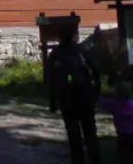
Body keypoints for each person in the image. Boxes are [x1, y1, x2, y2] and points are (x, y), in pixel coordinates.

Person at [46, 25, 101, 164]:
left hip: (67, 99)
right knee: (90, 131)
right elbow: (96, 70)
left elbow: (50, 79)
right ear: (73, 36)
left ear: (60, 37)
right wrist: (96, 92)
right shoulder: (82, 50)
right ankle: (95, 159)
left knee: (73, 133)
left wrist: (53, 101)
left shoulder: (55, 54)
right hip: (85, 97)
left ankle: (78, 160)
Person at [99, 81, 133, 164]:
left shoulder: (115, 104)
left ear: (117, 94)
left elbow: (102, 103)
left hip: (123, 134)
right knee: (131, 154)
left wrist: (96, 96)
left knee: (122, 153)